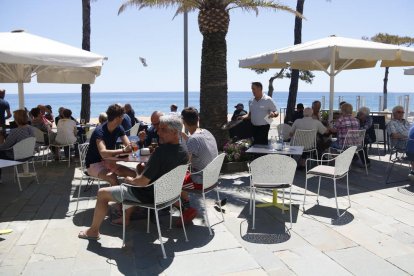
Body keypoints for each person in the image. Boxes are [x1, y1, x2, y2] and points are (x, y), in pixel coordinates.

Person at [78, 115, 188, 240]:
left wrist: (130, 181)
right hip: (169, 194)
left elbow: (141, 183)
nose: (158, 132)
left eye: (162, 129)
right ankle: (125, 216)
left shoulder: (160, 152)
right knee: (137, 171)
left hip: (147, 195)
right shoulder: (183, 149)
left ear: (174, 132)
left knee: (102, 193)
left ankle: (93, 231)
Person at [179, 107, 218, 226]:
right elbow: (193, 141)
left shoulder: (193, 140)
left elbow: (185, 165)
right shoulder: (206, 132)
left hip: (201, 180)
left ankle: (187, 210)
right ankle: (185, 207)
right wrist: (182, 134)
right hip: (212, 177)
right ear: (198, 119)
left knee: (173, 181)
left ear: (183, 122)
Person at [85, 104, 136, 187]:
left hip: (109, 162)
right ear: (117, 118)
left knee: (133, 173)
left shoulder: (119, 128)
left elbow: (129, 145)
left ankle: (133, 195)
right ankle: (119, 199)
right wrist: (123, 150)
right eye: (122, 116)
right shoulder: (99, 131)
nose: (123, 118)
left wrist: (138, 142)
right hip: (94, 164)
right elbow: (103, 153)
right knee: (112, 178)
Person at [0, 110, 34, 183]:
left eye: (14, 118)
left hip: (17, 156)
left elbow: (5, 146)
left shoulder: (15, 131)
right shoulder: (31, 128)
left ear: (17, 119)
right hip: (28, 154)